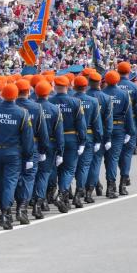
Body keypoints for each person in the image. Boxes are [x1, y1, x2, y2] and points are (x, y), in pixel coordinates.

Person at [0, 83, 34, 230]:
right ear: (16, 95)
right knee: (10, 182)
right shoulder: (22, 113)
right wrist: (29, 156)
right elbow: (27, 138)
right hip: (13, 153)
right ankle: (6, 212)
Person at [50, 76, 86, 212]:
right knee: (69, 169)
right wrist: (82, 141)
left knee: (58, 168)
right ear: (68, 86)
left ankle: (61, 195)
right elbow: (80, 124)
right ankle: (62, 193)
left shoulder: (50, 101)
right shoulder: (75, 102)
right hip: (71, 137)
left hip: (53, 139)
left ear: (55, 86)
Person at [14, 80, 49, 223]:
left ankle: (17, 203)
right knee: (29, 177)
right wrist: (43, 149)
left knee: (15, 176)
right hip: (32, 145)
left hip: (14, 146)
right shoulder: (36, 107)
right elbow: (43, 132)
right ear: (28, 92)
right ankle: (23, 206)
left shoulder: (12, 106)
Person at [33, 81, 64, 218]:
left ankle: (35, 199)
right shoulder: (54, 109)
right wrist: (60, 150)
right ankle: (40, 201)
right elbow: (59, 133)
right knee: (44, 174)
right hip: (49, 145)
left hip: (32, 144)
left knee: (32, 174)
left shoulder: (31, 108)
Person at [103, 71, 136, 198]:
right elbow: (128, 114)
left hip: (106, 128)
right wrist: (130, 131)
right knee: (114, 157)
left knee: (108, 158)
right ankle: (120, 186)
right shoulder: (124, 94)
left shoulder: (102, 93)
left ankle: (111, 186)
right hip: (119, 128)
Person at [73, 76, 103, 205]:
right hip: (89, 135)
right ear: (86, 87)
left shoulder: (72, 99)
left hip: (72, 136)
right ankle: (83, 192)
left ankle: (68, 192)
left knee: (71, 167)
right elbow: (97, 122)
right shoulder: (93, 101)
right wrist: (99, 138)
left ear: (74, 86)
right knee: (85, 166)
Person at [117, 62, 137, 188]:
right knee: (127, 152)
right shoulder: (134, 87)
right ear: (129, 72)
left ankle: (124, 174)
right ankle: (124, 177)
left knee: (116, 153)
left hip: (114, 124)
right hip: (131, 123)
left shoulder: (113, 85)